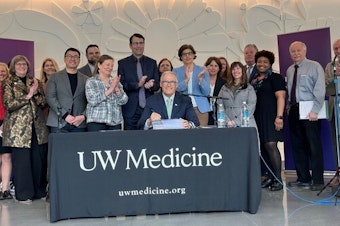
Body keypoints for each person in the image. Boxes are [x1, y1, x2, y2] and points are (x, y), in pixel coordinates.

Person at [2, 55, 49, 203]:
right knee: (22, 162)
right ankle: (24, 194)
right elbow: (9, 104)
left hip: (37, 127)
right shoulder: (8, 83)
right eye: (19, 64)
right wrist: (28, 95)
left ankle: (39, 191)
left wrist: (35, 94)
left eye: (24, 64)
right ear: (13, 67)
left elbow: (43, 102)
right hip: (18, 129)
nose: (22, 67)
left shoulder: (34, 81)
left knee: (37, 160)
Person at [286, 41, 326, 191]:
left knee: (313, 145)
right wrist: (289, 107)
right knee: (298, 145)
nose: (296, 53)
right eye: (293, 51)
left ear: (304, 51)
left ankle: (317, 180)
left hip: (311, 110)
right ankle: (303, 178)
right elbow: (290, 90)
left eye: (298, 50)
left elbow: (320, 89)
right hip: (295, 110)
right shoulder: (290, 70)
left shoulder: (314, 66)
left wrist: (315, 110)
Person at [250, 50, 286, 191]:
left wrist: (279, 117)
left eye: (265, 62)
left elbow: (281, 98)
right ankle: (270, 178)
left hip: (271, 116)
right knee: (264, 148)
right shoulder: (253, 80)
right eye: (259, 61)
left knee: (271, 146)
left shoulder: (275, 77)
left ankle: (278, 180)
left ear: (270, 63)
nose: (262, 64)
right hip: (257, 117)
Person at [118, 33, 159, 130]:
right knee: (130, 139)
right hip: (130, 109)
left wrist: (152, 85)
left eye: (141, 43)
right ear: (130, 45)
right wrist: (137, 85)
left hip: (148, 107)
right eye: (135, 43)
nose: (138, 46)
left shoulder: (152, 62)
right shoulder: (123, 63)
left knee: (149, 139)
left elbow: (157, 84)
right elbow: (121, 85)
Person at [46, 48, 88, 133]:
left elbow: (91, 101)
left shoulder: (86, 79)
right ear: (64, 59)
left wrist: (83, 116)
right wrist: (65, 115)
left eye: (76, 56)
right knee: (59, 146)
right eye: (69, 56)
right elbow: (50, 98)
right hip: (58, 123)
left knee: (79, 147)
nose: (72, 59)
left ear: (79, 60)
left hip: (79, 123)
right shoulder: (54, 77)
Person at [85, 55, 128, 131]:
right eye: (107, 65)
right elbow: (92, 100)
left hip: (115, 122)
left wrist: (117, 89)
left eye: (112, 66)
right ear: (99, 65)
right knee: (97, 143)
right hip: (96, 122)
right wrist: (110, 90)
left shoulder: (115, 81)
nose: (110, 68)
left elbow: (124, 100)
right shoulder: (91, 81)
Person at [173, 44, 210, 126]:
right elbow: (174, 89)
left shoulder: (202, 70)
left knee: (201, 135)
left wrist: (201, 80)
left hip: (200, 108)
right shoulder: (176, 71)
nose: (187, 56)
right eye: (184, 54)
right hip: (182, 107)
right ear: (181, 57)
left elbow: (207, 92)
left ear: (194, 55)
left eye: (189, 53)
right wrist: (186, 80)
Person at [217, 61, 257, 128]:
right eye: (233, 69)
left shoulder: (249, 88)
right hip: (228, 124)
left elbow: (251, 106)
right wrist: (227, 121)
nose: (235, 71)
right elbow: (219, 105)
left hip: (245, 123)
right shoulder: (224, 87)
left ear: (242, 70)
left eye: (238, 68)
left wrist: (236, 122)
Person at [324, 39, 340, 187]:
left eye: (339, 48)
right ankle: (338, 174)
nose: (337, 51)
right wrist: (336, 77)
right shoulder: (330, 66)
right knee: (336, 144)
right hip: (334, 109)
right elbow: (327, 88)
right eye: (335, 49)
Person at [0, 63, 12, 200]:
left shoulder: (10, 87)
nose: (1, 73)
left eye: (3, 71)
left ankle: (5, 189)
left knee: (6, 157)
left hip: (6, 124)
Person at [204, 57, 226, 125]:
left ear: (219, 68)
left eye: (216, 66)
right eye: (211, 65)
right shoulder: (202, 81)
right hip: (204, 113)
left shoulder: (224, 83)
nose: (213, 68)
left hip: (219, 113)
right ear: (206, 67)